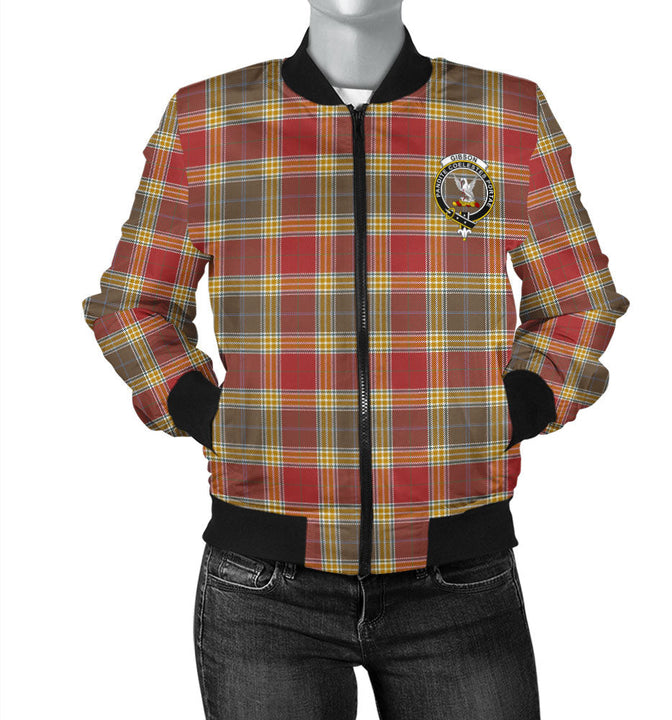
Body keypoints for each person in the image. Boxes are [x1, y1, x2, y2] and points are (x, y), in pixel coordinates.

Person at [80, 1, 629, 717]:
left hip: (458, 573)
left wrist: (510, 409)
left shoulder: (507, 114)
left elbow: (579, 299)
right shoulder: (207, 119)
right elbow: (133, 304)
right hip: (264, 584)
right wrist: (212, 415)